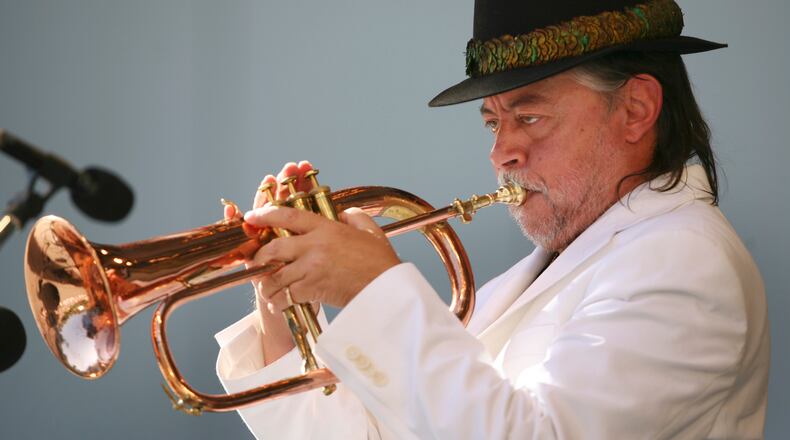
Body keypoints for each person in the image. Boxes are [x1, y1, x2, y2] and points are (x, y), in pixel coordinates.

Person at [216, 0, 770, 438]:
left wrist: (372, 288)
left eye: (528, 116)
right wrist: (282, 316)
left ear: (635, 110)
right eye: (493, 124)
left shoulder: (685, 260)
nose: (501, 153)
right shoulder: (543, 272)